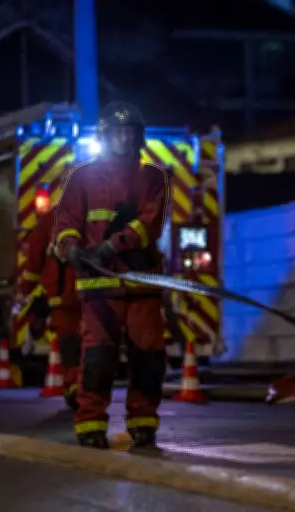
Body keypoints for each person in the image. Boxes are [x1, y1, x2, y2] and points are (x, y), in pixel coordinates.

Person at [53, 101, 170, 449]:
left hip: (140, 282)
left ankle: (143, 422)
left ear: (139, 137)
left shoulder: (153, 177)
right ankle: (90, 423)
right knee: (97, 358)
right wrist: (71, 248)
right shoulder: (82, 177)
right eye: (118, 131)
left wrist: (113, 246)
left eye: (130, 132)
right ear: (106, 135)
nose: (124, 137)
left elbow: (150, 222)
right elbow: (66, 222)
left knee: (148, 356)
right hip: (98, 286)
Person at [19, 181, 83, 410]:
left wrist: (26, 291)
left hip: (64, 297)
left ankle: (75, 387)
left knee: (69, 343)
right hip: (94, 295)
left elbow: (34, 259)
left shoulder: (50, 220)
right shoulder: (94, 221)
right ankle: (83, 387)